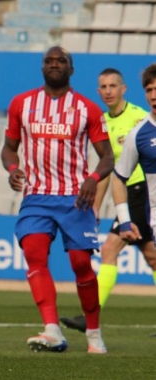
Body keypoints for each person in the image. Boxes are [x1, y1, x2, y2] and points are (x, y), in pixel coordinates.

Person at [1, 46, 114, 354]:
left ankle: (93, 334)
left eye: (61, 61)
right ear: (42, 69)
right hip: (37, 196)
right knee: (34, 254)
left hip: (75, 198)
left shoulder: (87, 109)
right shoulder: (22, 104)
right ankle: (52, 330)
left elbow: (108, 157)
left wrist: (92, 179)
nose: (54, 65)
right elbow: (9, 148)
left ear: (71, 69)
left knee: (80, 264)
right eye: (49, 61)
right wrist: (13, 168)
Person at [60, 68, 156, 333]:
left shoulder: (140, 118)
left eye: (113, 86)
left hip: (141, 191)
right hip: (129, 193)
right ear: (98, 92)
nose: (108, 91)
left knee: (109, 249)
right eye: (103, 87)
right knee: (152, 256)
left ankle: (89, 317)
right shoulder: (101, 123)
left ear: (124, 89)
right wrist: (93, 207)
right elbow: (107, 170)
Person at [110, 64, 156, 333]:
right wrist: (125, 220)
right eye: (149, 89)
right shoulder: (139, 134)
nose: (153, 94)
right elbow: (118, 177)